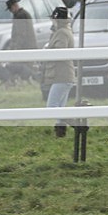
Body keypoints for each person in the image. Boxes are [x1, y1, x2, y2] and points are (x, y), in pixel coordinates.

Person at [41, 7, 75, 138]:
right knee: (61, 106)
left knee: (52, 107)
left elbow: (59, 51)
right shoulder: (64, 31)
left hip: (62, 74)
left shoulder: (61, 33)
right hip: (64, 75)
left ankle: (76, 123)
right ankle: (60, 134)